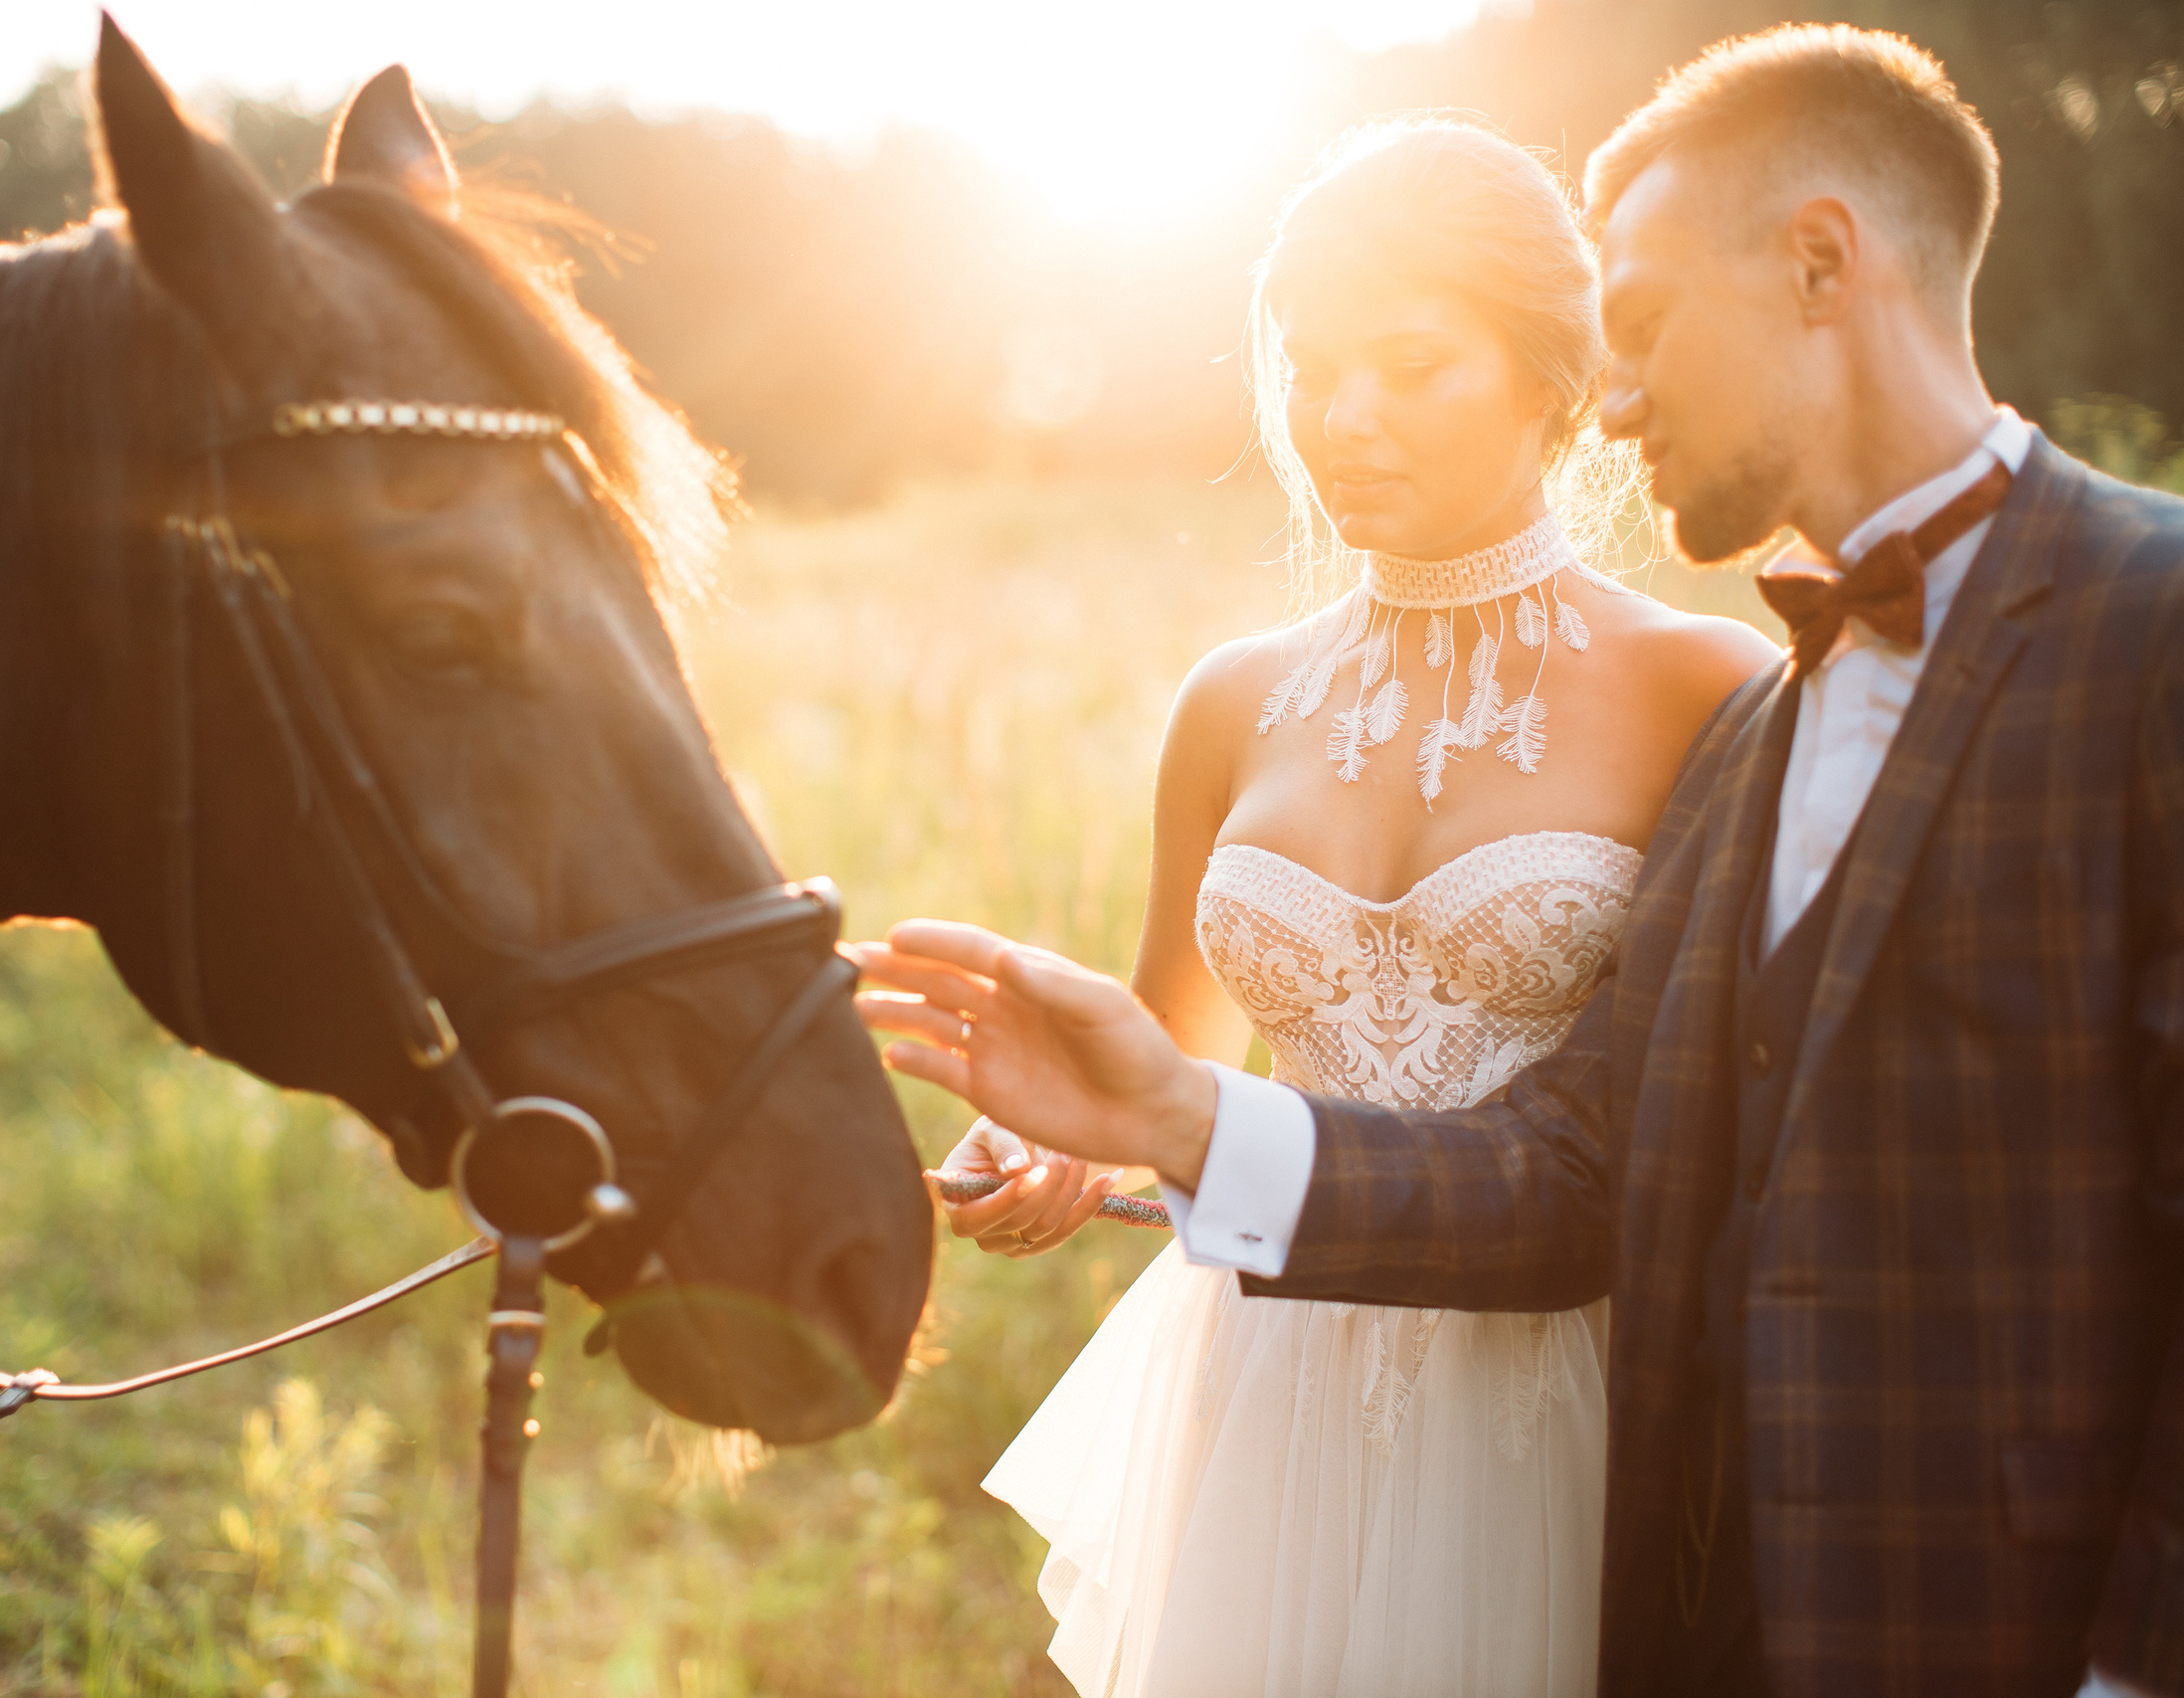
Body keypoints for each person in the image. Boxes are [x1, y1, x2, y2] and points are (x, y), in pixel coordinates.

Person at [853, 26, 2183, 1698]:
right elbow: (1578, 1173)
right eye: (1310, 362)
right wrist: (1164, 1120)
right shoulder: (1786, 712)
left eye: (1632, 332)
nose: (1617, 399)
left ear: (1821, 264)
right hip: (1592, 1538)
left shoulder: (2072, 643)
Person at [881, 117, 1773, 1698]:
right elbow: (1169, 1056)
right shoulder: (1234, 702)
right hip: (1265, 1377)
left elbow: (1695, 1140)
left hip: (1561, 1396)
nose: (1343, 418)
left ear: (1553, 379)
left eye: (1410, 365)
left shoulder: (1711, 689)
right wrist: (1063, 1143)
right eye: (1310, 366)